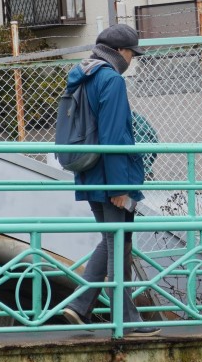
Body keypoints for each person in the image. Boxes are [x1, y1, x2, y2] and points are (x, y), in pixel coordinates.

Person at [59, 24, 158, 337]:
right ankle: (126, 320)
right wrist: (119, 188)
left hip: (88, 171)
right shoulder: (111, 80)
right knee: (119, 245)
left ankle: (79, 305)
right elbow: (115, 137)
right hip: (112, 177)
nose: (132, 59)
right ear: (119, 52)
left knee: (114, 240)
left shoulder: (83, 75)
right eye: (131, 53)